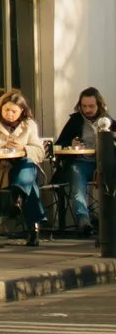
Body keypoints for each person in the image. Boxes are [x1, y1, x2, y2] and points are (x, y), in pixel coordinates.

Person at [0, 89, 48, 245]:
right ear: (1, 108)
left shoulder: (29, 125)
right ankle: (32, 225)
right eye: (6, 110)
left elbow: (40, 152)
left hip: (23, 165)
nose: (9, 114)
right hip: (1, 168)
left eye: (14, 111)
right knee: (29, 184)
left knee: (26, 165)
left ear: (22, 111)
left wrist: (23, 148)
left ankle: (18, 197)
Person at [55, 87, 110, 235]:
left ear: (99, 105)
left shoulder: (107, 121)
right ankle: (83, 220)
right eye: (84, 106)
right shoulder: (75, 121)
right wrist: (70, 145)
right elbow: (59, 143)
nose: (87, 110)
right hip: (82, 162)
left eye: (91, 106)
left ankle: (109, 220)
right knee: (77, 178)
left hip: (103, 163)